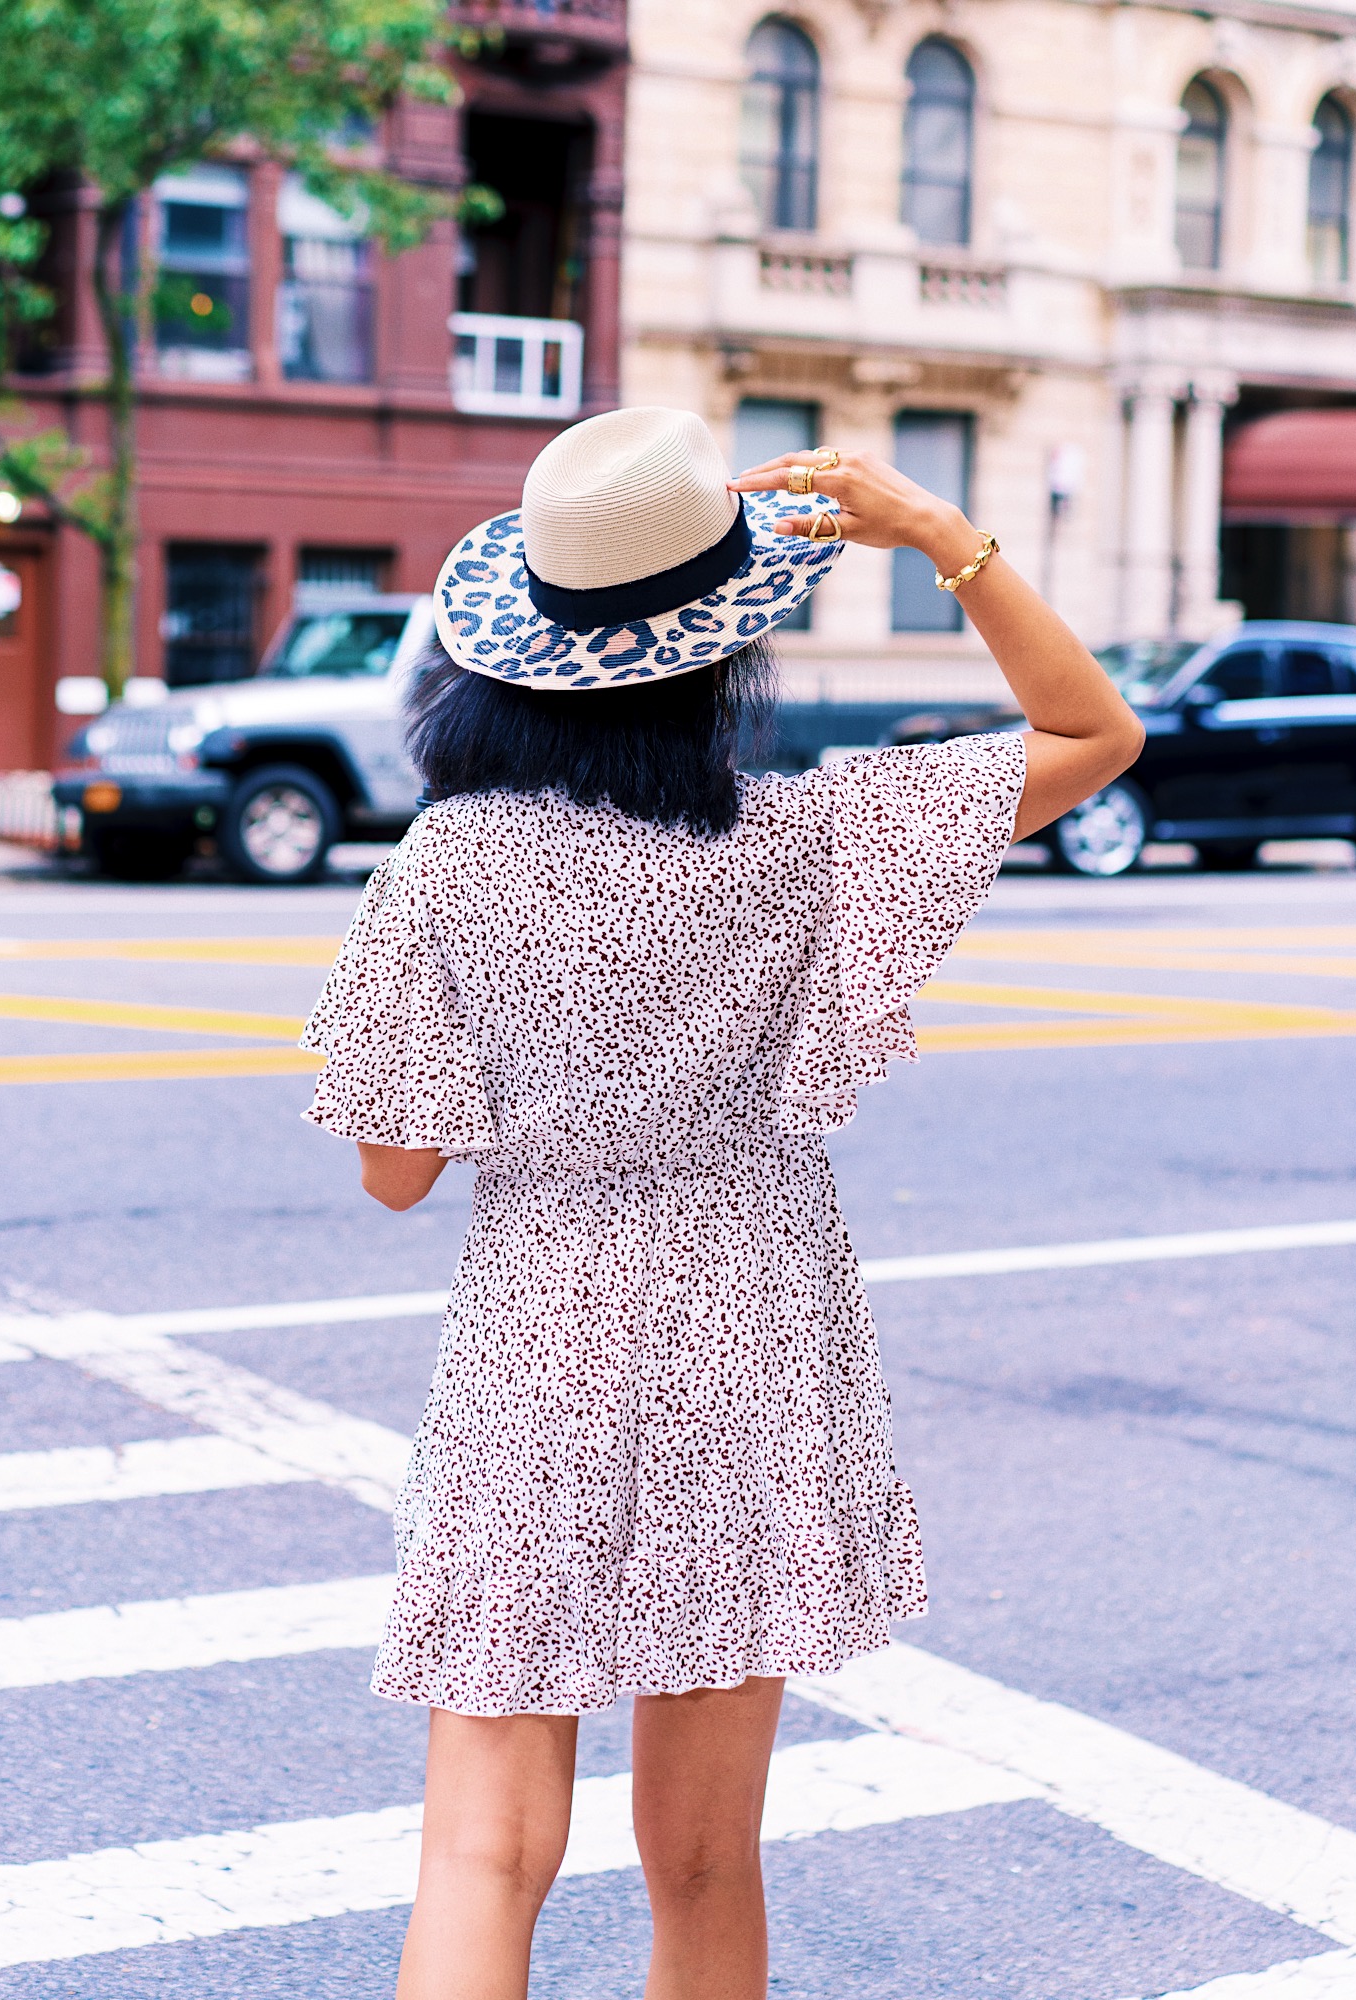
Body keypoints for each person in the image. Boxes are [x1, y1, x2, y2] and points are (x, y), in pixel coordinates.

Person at [300, 406, 1142, 2000]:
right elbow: (1096, 738)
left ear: (519, 655)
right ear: (721, 651)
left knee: (482, 1854)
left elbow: (397, 1169)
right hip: (748, 1340)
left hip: (536, 1347)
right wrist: (942, 541)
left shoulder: (444, 860)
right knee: (700, 1865)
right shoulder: (806, 842)